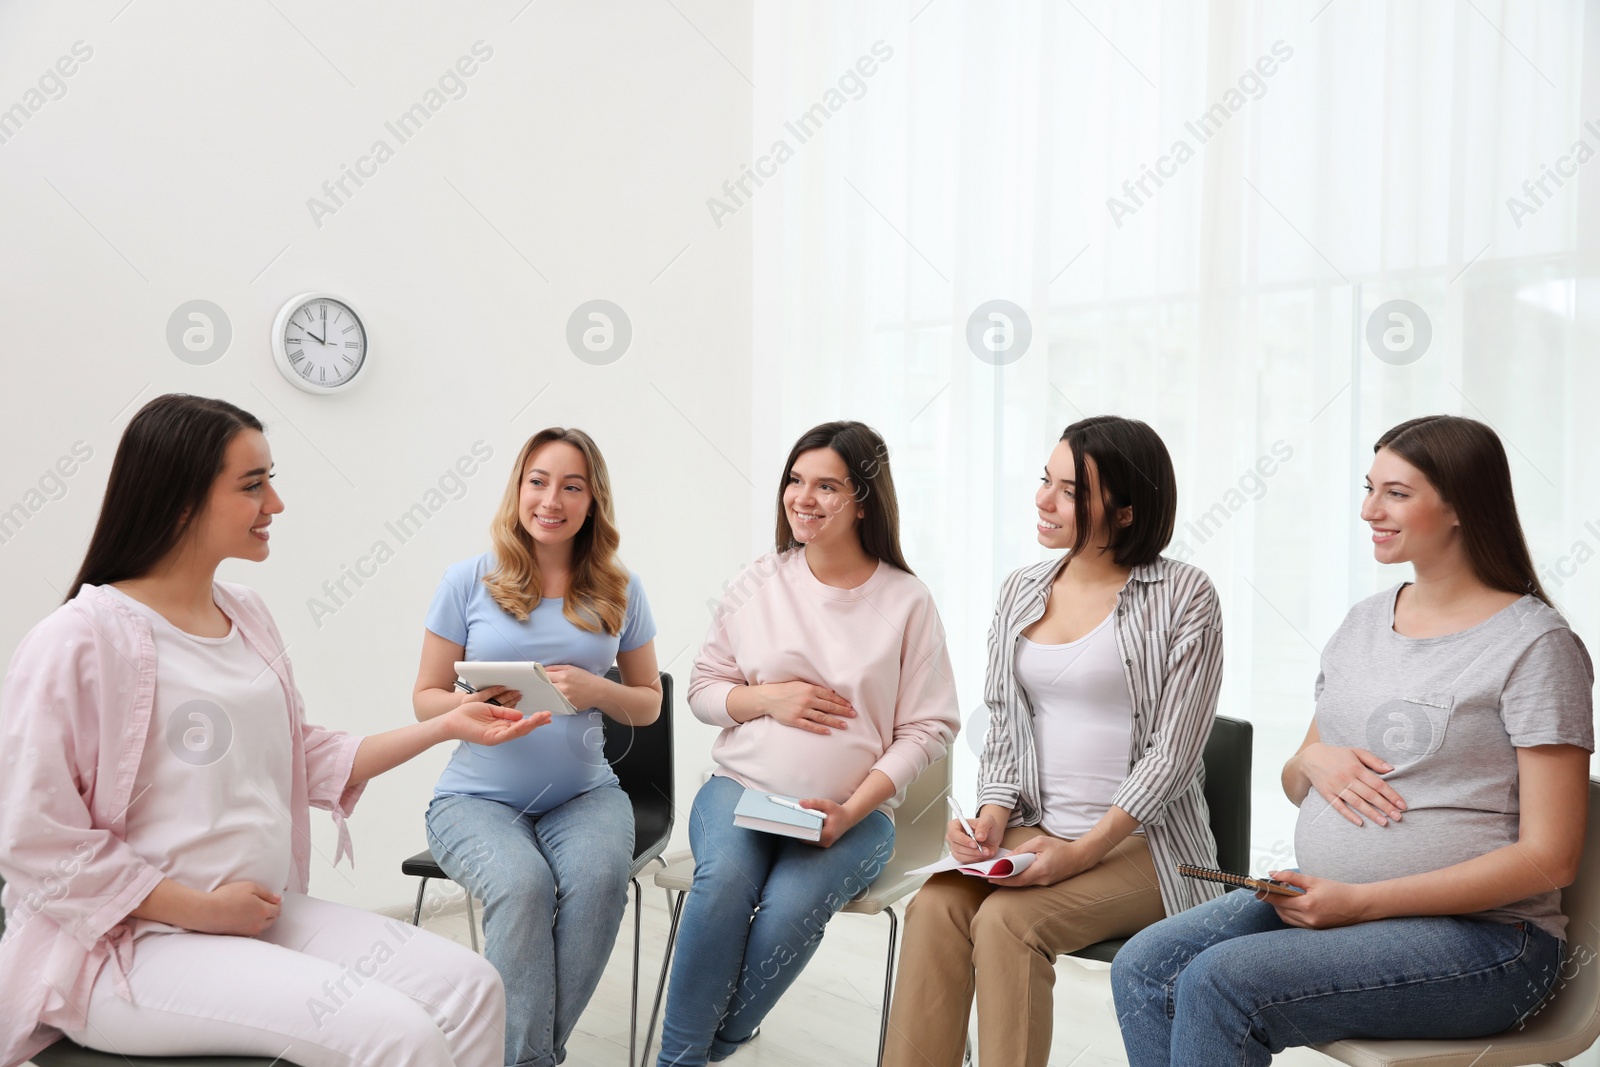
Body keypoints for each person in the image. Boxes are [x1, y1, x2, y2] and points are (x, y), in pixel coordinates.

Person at [0, 394, 544, 1067]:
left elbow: (298, 752)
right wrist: (198, 909)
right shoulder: (78, 640)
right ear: (180, 500)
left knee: (473, 988)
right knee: (400, 1034)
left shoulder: (246, 614)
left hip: (256, 914)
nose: (275, 504)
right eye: (253, 484)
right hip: (131, 946)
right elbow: (35, 841)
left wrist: (445, 727)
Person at [1112, 414, 1593, 1066]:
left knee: (1222, 979)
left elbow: (1549, 859)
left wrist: (1363, 899)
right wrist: (1311, 756)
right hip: (1338, 905)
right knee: (1146, 963)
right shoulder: (1365, 621)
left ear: (1460, 506)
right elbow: (1295, 779)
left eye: (1396, 492)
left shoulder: (1535, 646)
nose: (1369, 509)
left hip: (1489, 943)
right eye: (1370, 488)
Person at [883, 415, 1226, 1067]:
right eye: (1046, 480)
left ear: (1125, 509)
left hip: (1144, 848)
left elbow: (1174, 756)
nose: (1043, 499)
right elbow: (1007, 727)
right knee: (936, 907)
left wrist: (1079, 853)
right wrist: (990, 816)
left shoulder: (1185, 595)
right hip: (1035, 830)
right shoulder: (1021, 589)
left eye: (1070, 490)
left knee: (1009, 923)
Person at [654, 420, 960, 1066]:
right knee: (724, 883)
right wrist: (768, 698)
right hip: (741, 791)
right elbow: (705, 689)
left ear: (864, 501)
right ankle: (680, 1060)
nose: (803, 497)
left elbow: (928, 728)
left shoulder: (907, 601)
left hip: (854, 815)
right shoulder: (757, 580)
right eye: (795, 480)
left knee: (791, 907)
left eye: (826, 486)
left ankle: (711, 1047)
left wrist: (850, 809)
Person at [414, 426, 661, 1067]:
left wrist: (595, 690)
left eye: (571, 486)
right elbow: (425, 698)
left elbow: (648, 702)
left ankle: (519, 1057)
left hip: (584, 793)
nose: (551, 500)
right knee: (523, 887)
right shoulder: (468, 580)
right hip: (476, 799)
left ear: (592, 500)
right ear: (518, 489)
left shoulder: (620, 589)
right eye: (538, 481)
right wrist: (471, 705)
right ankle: (532, 1059)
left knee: (601, 879)